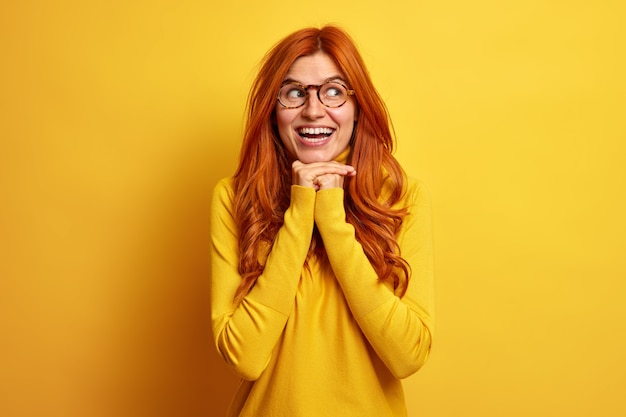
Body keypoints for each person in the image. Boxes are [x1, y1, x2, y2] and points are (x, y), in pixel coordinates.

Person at [210, 25, 434, 417]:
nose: (314, 110)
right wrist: (300, 213)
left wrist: (331, 215)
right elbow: (243, 356)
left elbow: (408, 355)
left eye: (333, 90)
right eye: (294, 92)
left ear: (358, 106)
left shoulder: (401, 199)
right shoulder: (235, 198)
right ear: (273, 109)